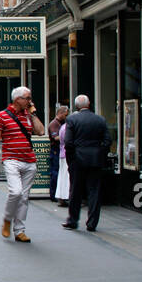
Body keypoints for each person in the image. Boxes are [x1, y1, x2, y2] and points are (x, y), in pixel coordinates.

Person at [0, 86, 46, 243]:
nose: (30, 101)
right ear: (17, 100)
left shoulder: (29, 115)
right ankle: (7, 219)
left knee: (24, 197)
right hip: (12, 159)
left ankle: (19, 230)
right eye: (27, 98)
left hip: (29, 160)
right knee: (16, 192)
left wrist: (33, 113)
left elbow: (41, 132)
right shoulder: (2, 116)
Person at [62, 94, 110, 232]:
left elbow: (68, 142)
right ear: (89, 104)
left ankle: (73, 220)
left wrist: (71, 159)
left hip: (77, 160)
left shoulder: (72, 119)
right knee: (94, 191)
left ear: (77, 106)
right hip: (95, 160)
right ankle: (92, 223)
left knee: (75, 190)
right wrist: (100, 153)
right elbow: (107, 141)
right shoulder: (100, 119)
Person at [48, 105, 69, 201]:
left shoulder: (61, 123)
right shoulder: (54, 124)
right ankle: (53, 195)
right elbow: (55, 137)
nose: (66, 116)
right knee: (55, 173)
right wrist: (67, 136)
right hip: (55, 151)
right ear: (60, 113)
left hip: (59, 151)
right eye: (65, 114)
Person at [54, 115, 72, 205]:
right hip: (67, 155)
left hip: (62, 153)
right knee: (66, 177)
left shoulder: (62, 127)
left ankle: (61, 197)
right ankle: (66, 196)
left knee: (62, 177)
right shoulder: (68, 128)